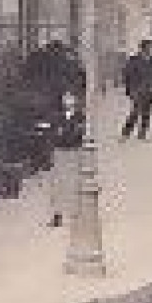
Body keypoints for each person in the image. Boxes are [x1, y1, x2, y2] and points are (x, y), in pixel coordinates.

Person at [47, 91, 86, 228]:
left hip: (74, 153)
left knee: (74, 182)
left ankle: (75, 213)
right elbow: (53, 132)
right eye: (66, 101)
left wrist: (64, 133)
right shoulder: (57, 117)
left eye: (71, 101)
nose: (68, 104)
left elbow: (78, 134)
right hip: (60, 152)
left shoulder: (80, 117)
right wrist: (59, 134)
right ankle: (58, 215)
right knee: (58, 184)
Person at [120, 40, 152, 140]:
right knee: (135, 112)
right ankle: (126, 133)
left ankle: (142, 134)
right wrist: (130, 90)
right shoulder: (134, 60)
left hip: (149, 91)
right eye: (151, 48)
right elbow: (126, 76)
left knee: (147, 113)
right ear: (144, 49)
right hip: (138, 91)